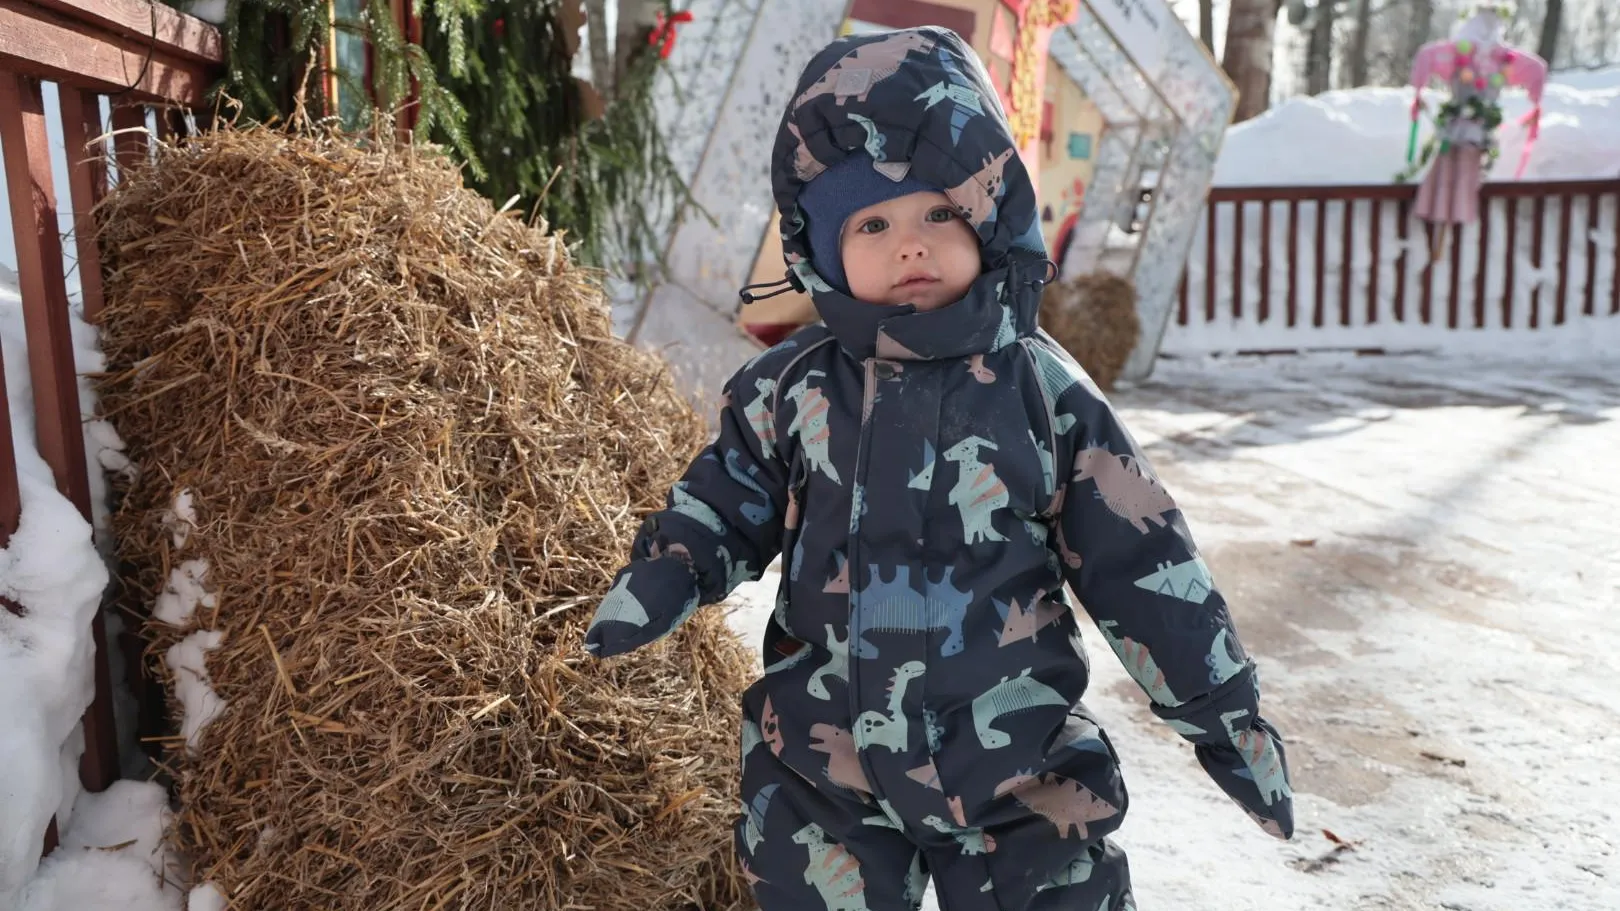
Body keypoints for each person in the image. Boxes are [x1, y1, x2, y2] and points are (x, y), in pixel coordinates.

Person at [585, 26, 1293, 910]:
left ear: (990, 216)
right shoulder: (791, 389)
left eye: (937, 213)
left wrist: (1222, 713)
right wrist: (665, 574)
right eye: (872, 224)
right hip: (823, 768)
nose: (909, 245)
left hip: (1016, 768)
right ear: (820, 246)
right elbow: (726, 498)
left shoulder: (1043, 392)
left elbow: (1142, 560)